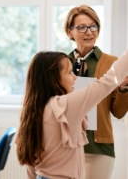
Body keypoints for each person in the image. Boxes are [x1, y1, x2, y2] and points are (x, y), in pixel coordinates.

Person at [15, 49, 128, 179]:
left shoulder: (34, 109)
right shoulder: (64, 105)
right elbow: (106, 83)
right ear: (53, 79)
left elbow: (31, 165)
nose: (75, 77)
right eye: (69, 72)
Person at [64, 5, 128, 179]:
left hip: (99, 148)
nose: (89, 32)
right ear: (70, 32)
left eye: (94, 26)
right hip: (66, 147)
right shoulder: (61, 64)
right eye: (82, 27)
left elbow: (119, 113)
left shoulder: (112, 63)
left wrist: (123, 88)